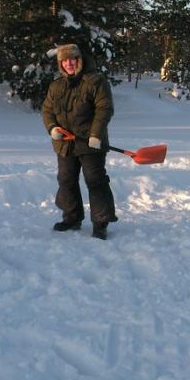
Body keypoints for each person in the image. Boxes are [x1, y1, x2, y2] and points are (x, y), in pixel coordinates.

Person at [42, 43, 117, 240]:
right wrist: (53, 128)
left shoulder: (95, 81)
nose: (69, 63)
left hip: (90, 142)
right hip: (65, 143)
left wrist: (96, 134)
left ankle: (101, 222)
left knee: (95, 181)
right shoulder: (56, 85)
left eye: (72, 59)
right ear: (60, 63)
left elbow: (104, 108)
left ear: (79, 60)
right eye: (64, 60)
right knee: (66, 181)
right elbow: (47, 110)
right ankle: (71, 218)